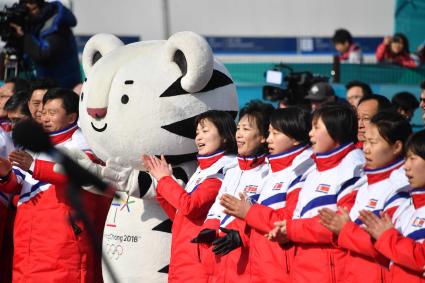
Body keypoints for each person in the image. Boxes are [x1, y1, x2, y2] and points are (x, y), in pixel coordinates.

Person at [0, 88, 110, 282]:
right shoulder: (36, 145)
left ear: (71, 117)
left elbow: (81, 174)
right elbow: (16, 186)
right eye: (44, 113)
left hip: (63, 249)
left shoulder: (81, 142)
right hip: (27, 249)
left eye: (53, 113)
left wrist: (34, 166)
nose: (45, 119)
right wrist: (5, 174)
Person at [267, 103, 366, 283]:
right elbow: (297, 218)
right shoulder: (312, 170)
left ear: (336, 130)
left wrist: (291, 229)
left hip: (332, 271)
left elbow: (338, 224)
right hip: (304, 268)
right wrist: (284, 233)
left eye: (316, 127)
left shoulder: (353, 167)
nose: (310, 134)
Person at [219, 107, 314, 283]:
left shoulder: (303, 170)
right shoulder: (274, 170)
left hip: (280, 269)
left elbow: (288, 222)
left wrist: (248, 212)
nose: (269, 139)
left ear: (294, 137)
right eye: (269, 132)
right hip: (260, 265)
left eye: (275, 133)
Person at [142, 110, 237, 283]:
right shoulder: (203, 168)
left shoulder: (223, 170)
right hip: (184, 260)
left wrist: (165, 180)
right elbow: (180, 216)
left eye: (205, 131)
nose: (199, 137)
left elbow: (190, 206)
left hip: (200, 264)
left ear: (224, 136)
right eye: (197, 133)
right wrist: (162, 185)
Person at [318, 110, 412, 283]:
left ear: (397, 147)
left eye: (373, 142)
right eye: (365, 141)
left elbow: (386, 246)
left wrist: (344, 230)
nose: (366, 149)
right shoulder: (363, 184)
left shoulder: (401, 187)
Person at [192, 100, 273, 283]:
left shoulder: (269, 172)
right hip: (223, 259)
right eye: (238, 128)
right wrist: (210, 228)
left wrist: (242, 236)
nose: (239, 134)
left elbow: (268, 217)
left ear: (263, 136)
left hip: (251, 263)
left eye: (246, 129)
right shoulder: (233, 170)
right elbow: (218, 206)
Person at [359, 130, 425, 282]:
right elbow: (391, 259)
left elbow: (421, 258)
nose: (406, 166)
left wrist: (386, 237)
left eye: (413, 159)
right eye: (406, 158)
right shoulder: (407, 207)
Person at [10, 0, 82, 88]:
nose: (27, 6)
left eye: (31, 2)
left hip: (63, 88)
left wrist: (23, 37)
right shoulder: (33, 23)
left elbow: (45, 54)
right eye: (24, 2)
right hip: (43, 85)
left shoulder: (56, 22)